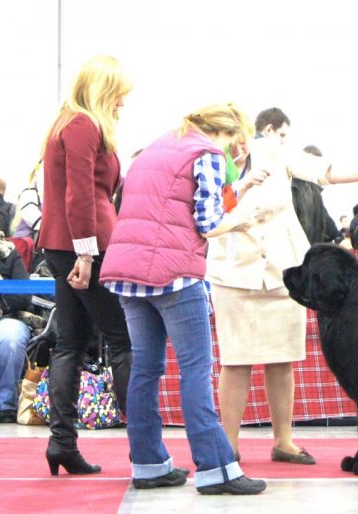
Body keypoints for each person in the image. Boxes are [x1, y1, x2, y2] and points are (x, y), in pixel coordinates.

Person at [207, 106, 358, 465]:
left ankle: (284, 441)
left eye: (240, 134)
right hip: (233, 271)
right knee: (236, 361)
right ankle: (226, 447)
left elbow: (322, 171)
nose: (236, 142)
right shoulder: (208, 159)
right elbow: (207, 211)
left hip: (283, 269)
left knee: (283, 359)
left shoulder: (272, 150)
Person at [100, 103, 266, 494]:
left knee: (146, 370)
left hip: (128, 272)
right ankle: (217, 469)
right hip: (175, 276)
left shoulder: (157, 148)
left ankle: (148, 464)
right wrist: (243, 220)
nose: (230, 152)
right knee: (195, 371)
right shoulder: (206, 153)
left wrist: (238, 189)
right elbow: (206, 224)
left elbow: (174, 208)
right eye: (232, 142)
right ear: (224, 133)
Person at [36, 55, 133, 476]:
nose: (122, 105)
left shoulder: (66, 123)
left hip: (65, 244)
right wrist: (87, 254)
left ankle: (61, 444)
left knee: (70, 343)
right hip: (84, 246)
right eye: (118, 96)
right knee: (123, 341)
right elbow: (79, 195)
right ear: (102, 91)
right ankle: (146, 447)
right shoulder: (82, 125)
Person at [0, 230, 32, 423]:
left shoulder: (10, 255)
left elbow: (23, 296)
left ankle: (5, 405)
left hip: (6, 317)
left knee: (10, 338)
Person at [290, 145, 340, 245]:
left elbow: (324, 215)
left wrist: (339, 237)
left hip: (312, 243)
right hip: (297, 242)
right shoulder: (292, 186)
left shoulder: (314, 189)